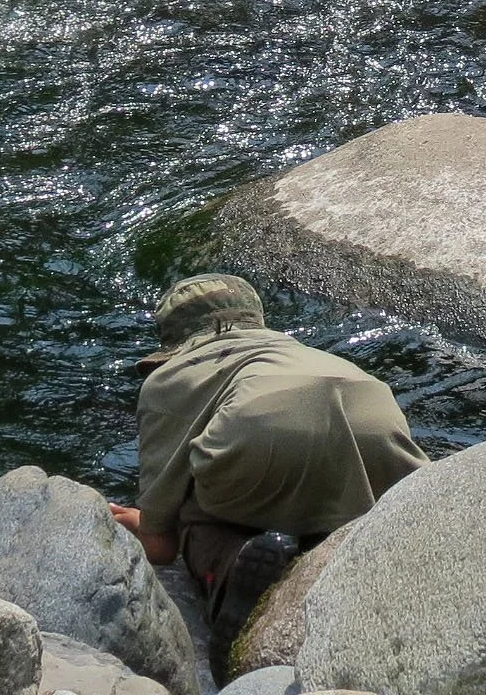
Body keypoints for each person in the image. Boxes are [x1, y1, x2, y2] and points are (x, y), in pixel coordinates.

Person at [108, 273, 427, 677]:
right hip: (375, 412)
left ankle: (231, 567)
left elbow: (160, 547)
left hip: (261, 433)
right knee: (342, 503)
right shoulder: (309, 353)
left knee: (189, 498)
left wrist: (143, 523)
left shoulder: (170, 378)